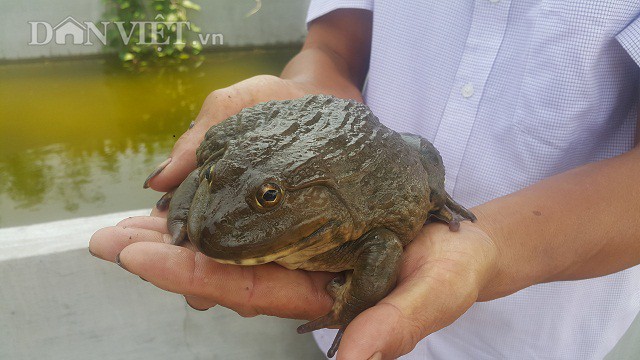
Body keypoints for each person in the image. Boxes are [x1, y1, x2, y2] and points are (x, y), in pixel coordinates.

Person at [90, 2, 640, 359]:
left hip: (536, 336)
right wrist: (193, 201)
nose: (222, 209)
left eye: (265, 201)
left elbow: (379, 243)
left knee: (419, 157)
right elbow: (329, 47)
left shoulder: (356, 232)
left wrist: (487, 247)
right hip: (326, 320)